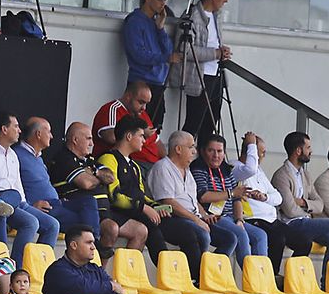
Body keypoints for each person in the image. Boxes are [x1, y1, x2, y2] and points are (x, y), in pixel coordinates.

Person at [147, 130, 238, 275]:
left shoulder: (187, 171)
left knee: (230, 238)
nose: (194, 151)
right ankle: (198, 277)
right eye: (191, 147)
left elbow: (194, 200)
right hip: (172, 218)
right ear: (178, 149)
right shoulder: (162, 167)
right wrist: (197, 219)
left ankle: (210, 274)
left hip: (193, 218)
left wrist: (204, 215)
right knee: (203, 234)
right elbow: (168, 201)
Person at [47, 121, 145, 253]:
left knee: (140, 231)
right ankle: (98, 267)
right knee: (111, 228)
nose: (92, 143)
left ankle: (112, 271)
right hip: (83, 211)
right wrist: (100, 178)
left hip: (104, 211)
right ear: (75, 140)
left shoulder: (89, 161)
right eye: (88, 139)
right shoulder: (64, 158)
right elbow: (85, 184)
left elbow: (110, 177)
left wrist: (95, 172)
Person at [272, 131, 329, 267]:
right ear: (298, 150)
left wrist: (303, 202)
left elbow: (320, 204)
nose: (311, 151)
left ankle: (326, 283)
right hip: (291, 224)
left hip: (306, 222)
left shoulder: (306, 175)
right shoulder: (281, 176)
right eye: (308, 148)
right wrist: (308, 210)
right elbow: (290, 210)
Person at [0, 111, 60, 266]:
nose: (19, 130)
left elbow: (18, 186)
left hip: (18, 203)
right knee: (30, 222)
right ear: (4, 129)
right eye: (16, 126)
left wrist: (28, 206)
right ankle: (15, 269)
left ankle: (39, 269)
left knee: (52, 225)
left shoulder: (12, 154)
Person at [98, 115, 170, 259]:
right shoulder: (108, 158)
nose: (144, 140)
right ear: (129, 136)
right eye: (141, 136)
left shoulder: (135, 166)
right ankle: (166, 268)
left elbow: (141, 196)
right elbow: (114, 196)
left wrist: (157, 207)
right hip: (114, 212)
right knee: (149, 228)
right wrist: (143, 208)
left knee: (170, 224)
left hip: (134, 211)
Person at [18, 116, 95, 241]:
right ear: (38, 134)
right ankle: (92, 245)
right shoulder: (17, 154)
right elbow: (12, 184)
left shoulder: (38, 157)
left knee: (89, 202)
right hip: (42, 207)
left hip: (56, 203)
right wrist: (29, 205)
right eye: (48, 132)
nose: (52, 136)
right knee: (83, 225)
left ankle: (91, 243)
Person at [191, 134, 263, 266]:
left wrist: (239, 219)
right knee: (240, 235)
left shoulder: (227, 170)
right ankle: (251, 276)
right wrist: (230, 193)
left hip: (231, 217)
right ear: (202, 151)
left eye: (219, 151)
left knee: (260, 235)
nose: (216, 155)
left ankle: (262, 276)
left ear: (224, 153)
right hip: (213, 217)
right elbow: (203, 196)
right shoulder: (198, 169)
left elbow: (237, 199)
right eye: (211, 150)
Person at [180, 0, 233, 149]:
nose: (226, 0)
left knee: (210, 125)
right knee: (193, 124)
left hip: (216, 76)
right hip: (199, 78)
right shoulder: (193, 16)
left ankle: (204, 164)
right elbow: (185, 49)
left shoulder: (217, 17)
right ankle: (182, 158)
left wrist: (221, 50)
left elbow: (211, 43)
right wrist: (216, 53)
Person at [122, 0, 178, 127]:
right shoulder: (134, 21)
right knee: (137, 127)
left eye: (164, 0)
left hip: (157, 83)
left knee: (155, 127)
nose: (163, 3)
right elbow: (137, 54)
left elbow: (168, 50)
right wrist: (166, 58)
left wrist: (160, 28)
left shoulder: (155, 22)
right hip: (140, 81)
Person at [231, 132, 290, 266]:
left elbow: (278, 197)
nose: (263, 156)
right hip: (253, 218)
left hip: (270, 218)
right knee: (277, 238)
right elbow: (249, 169)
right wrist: (251, 143)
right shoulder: (235, 167)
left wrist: (265, 197)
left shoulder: (259, 171)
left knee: (301, 239)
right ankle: (269, 276)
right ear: (252, 152)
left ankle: (285, 276)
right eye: (261, 152)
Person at [93, 80, 164, 165]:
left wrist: (170, 163)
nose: (144, 108)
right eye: (141, 102)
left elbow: (157, 140)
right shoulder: (113, 109)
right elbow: (112, 137)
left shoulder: (141, 114)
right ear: (128, 97)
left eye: (146, 104)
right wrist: (141, 133)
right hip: (128, 163)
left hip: (154, 165)